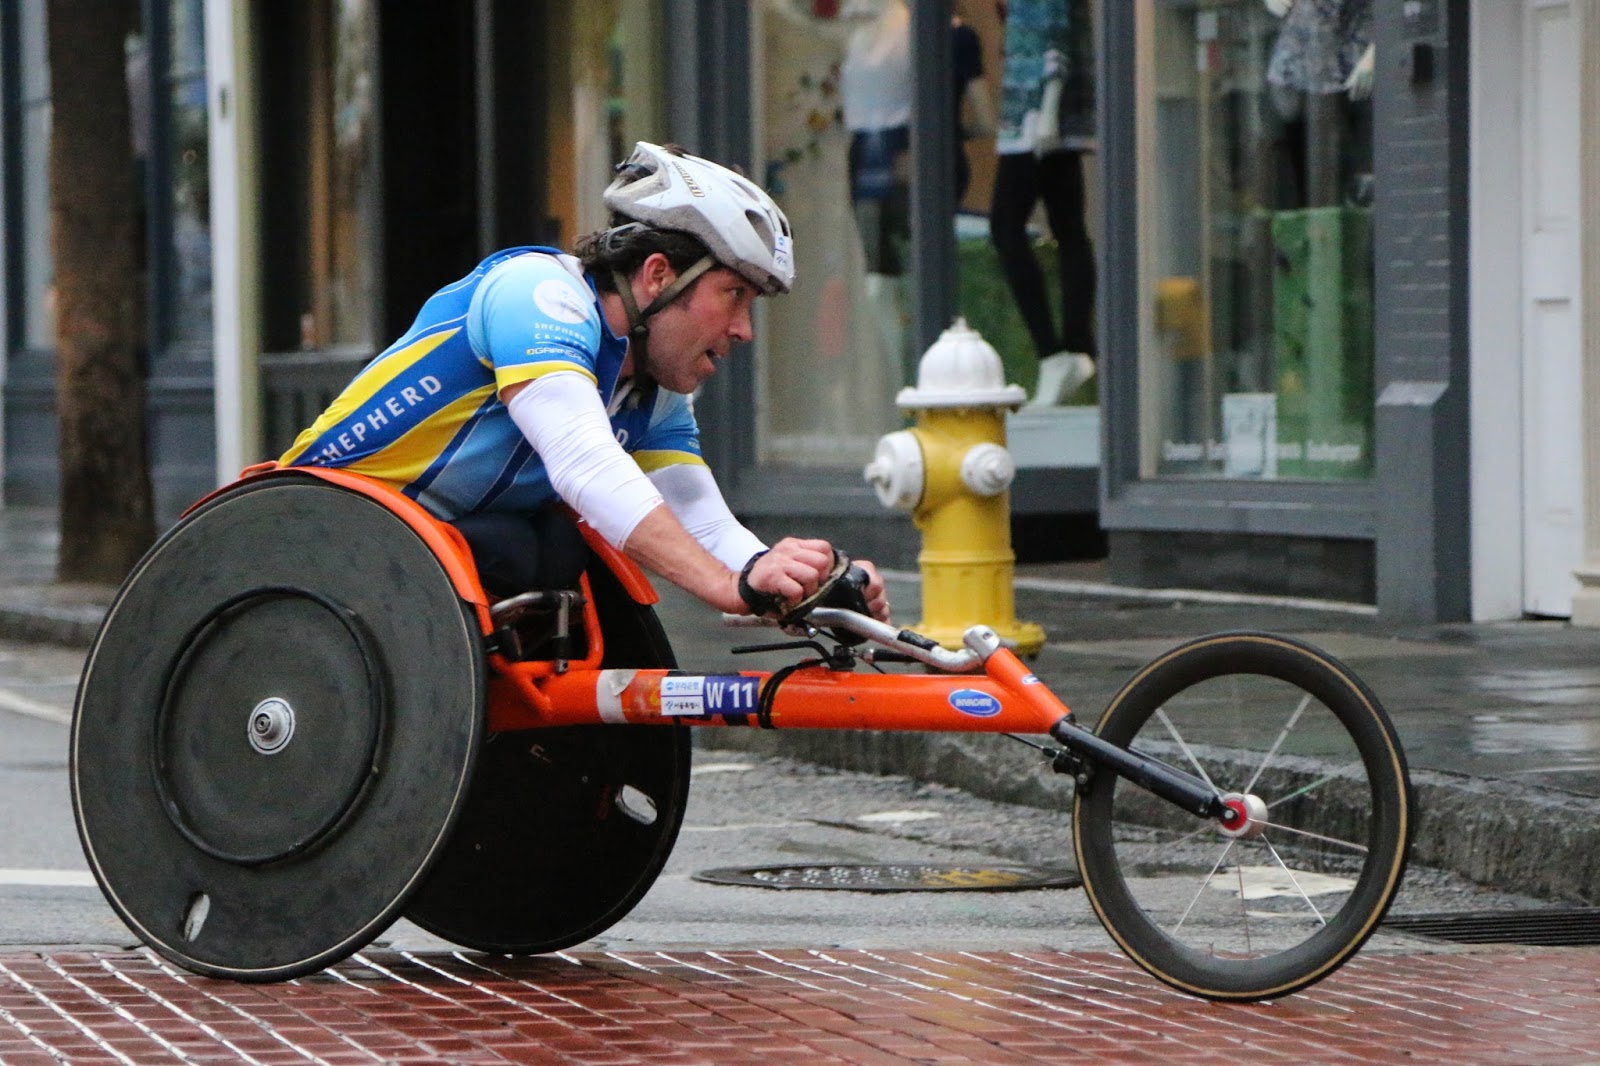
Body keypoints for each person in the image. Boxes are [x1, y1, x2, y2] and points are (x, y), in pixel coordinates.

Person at [279, 141, 890, 625]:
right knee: (527, 546)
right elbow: (584, 463)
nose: (744, 331)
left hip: (418, 563)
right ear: (658, 275)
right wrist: (727, 586)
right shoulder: (538, 294)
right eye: (734, 295)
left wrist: (796, 586)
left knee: (550, 548)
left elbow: (699, 520)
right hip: (304, 542)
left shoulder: (652, 391)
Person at [990, 0, 1097, 407]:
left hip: (1034, 114)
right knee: (1069, 227)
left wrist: (1048, 106)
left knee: (1006, 227)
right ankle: (1075, 348)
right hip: (1041, 110)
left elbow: (1054, 30)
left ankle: (1055, 354)